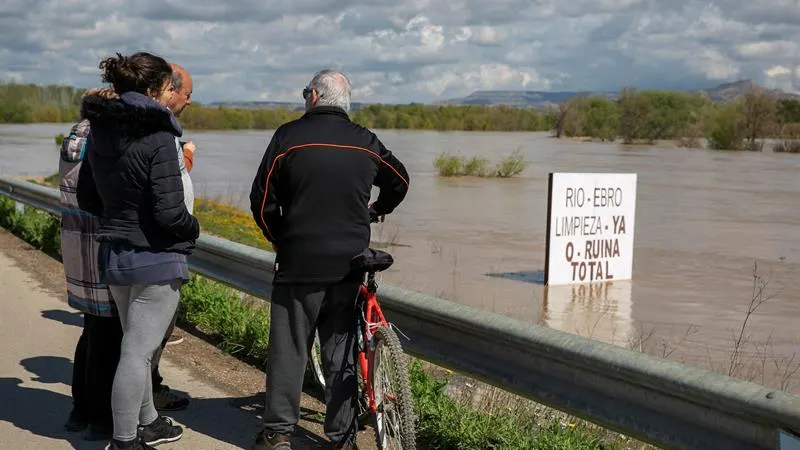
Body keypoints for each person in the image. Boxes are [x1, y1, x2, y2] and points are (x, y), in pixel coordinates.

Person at [248, 69, 410, 450]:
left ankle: (278, 435)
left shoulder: (288, 137)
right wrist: (376, 209)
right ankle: (342, 438)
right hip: (350, 264)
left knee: (289, 350)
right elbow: (399, 180)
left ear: (315, 97)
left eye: (306, 92)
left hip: (298, 264)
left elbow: (262, 201)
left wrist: (282, 241)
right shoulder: (365, 142)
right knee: (341, 351)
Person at [77, 51, 199, 450]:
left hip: (114, 254)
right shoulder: (159, 134)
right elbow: (169, 211)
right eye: (168, 87)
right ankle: (126, 440)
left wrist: (120, 216)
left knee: (135, 346)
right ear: (153, 90)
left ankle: (148, 421)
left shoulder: (100, 130)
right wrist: (192, 227)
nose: (170, 94)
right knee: (136, 354)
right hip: (156, 259)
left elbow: (87, 196)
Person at [60, 88, 123, 442]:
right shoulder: (102, 139)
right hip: (99, 242)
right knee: (108, 336)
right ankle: (99, 419)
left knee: (92, 329)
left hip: (75, 241)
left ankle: (79, 408)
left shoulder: (74, 135)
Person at [148, 63, 196, 413]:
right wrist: (190, 228)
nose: (189, 102)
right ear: (168, 90)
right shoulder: (158, 133)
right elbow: (166, 202)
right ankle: (143, 410)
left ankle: (146, 394)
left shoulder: (154, 131)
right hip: (160, 251)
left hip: (159, 249)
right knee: (146, 340)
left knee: (146, 339)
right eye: (186, 94)